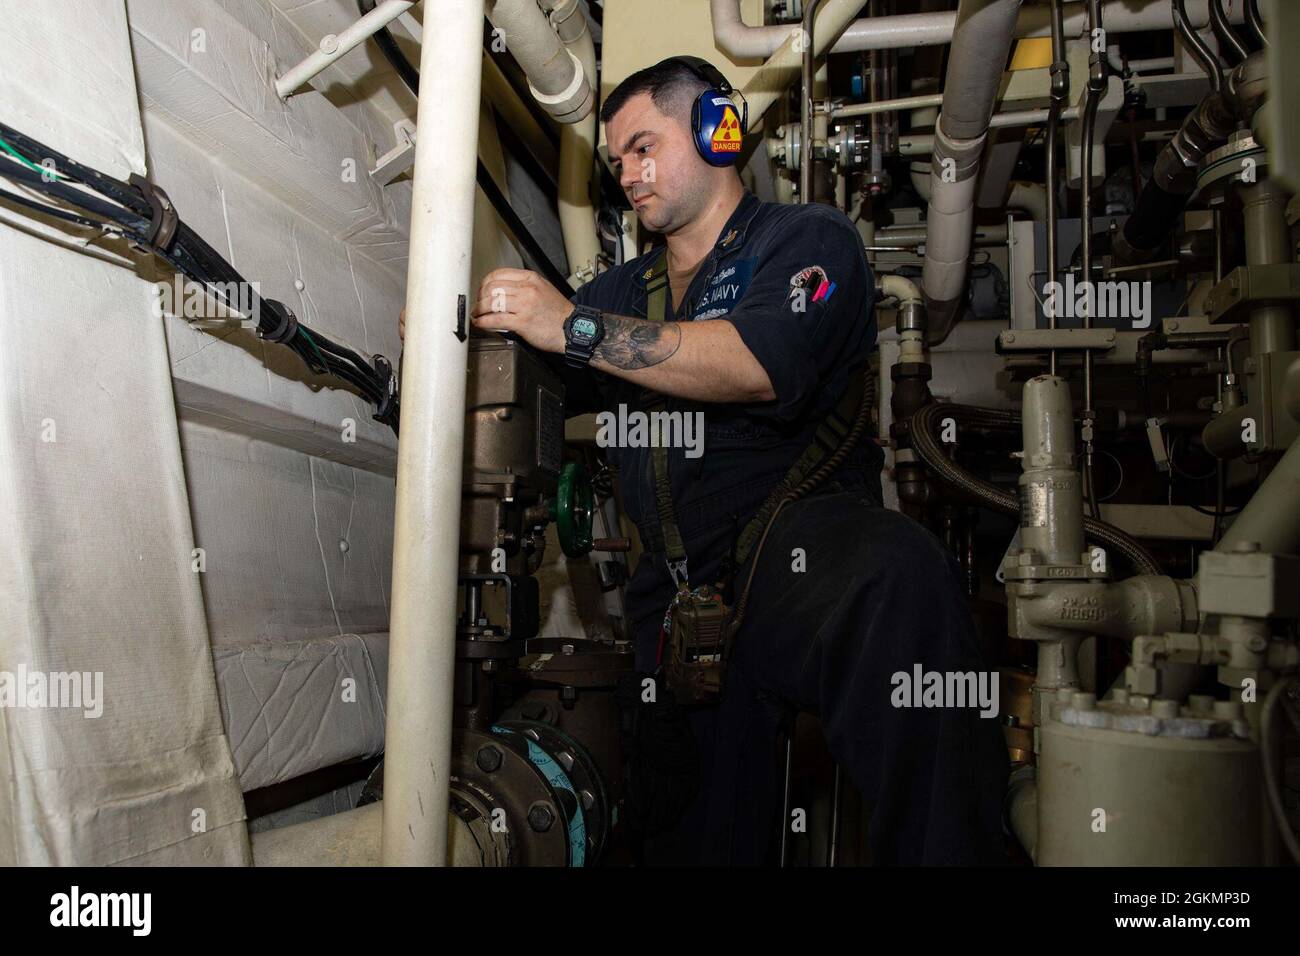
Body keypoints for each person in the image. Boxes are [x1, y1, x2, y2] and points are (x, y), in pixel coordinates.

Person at [406, 56, 1009, 865]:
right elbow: (528, 374)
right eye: (617, 159)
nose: (628, 174)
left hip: (800, 560)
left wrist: (571, 326)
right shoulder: (622, 291)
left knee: (898, 579)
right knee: (687, 832)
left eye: (645, 147)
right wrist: (451, 335)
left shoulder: (807, 242)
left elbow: (756, 363)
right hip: (677, 608)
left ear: (715, 132)